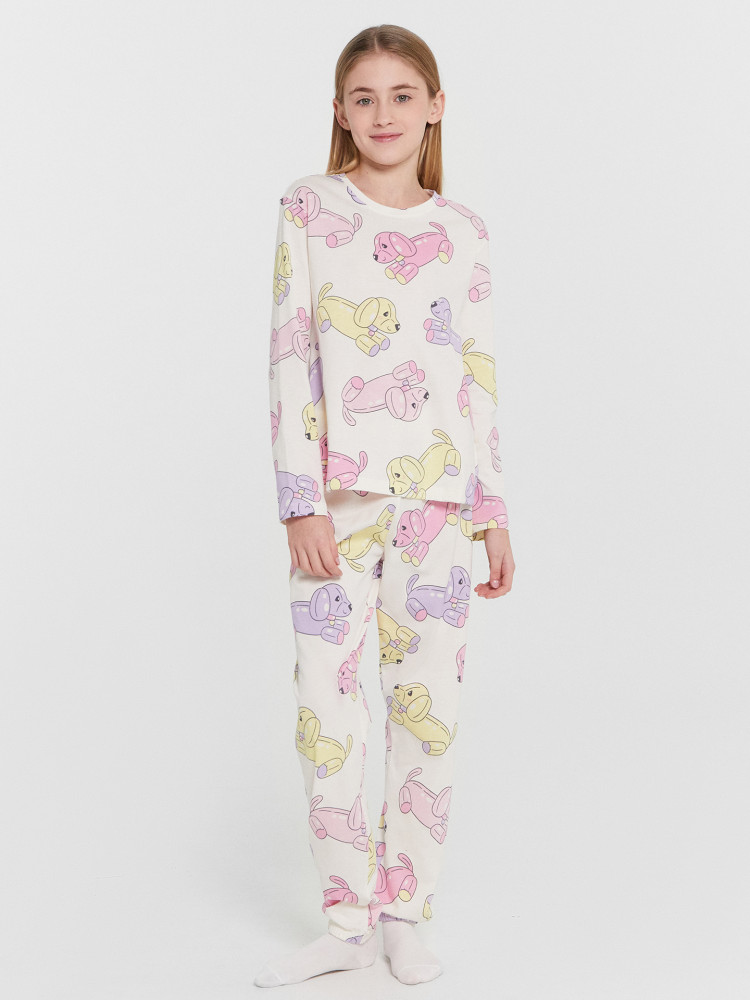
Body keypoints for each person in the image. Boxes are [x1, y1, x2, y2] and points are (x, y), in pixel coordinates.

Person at [255, 23, 516, 988]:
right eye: (363, 98)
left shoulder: (464, 232)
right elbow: (291, 352)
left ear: (435, 107)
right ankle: (344, 919)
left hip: (440, 510)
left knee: (427, 716)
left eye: (403, 95)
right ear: (339, 112)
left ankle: (405, 912)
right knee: (328, 713)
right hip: (339, 504)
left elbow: (477, 375)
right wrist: (300, 501)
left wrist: (492, 513)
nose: (383, 114)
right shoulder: (309, 208)